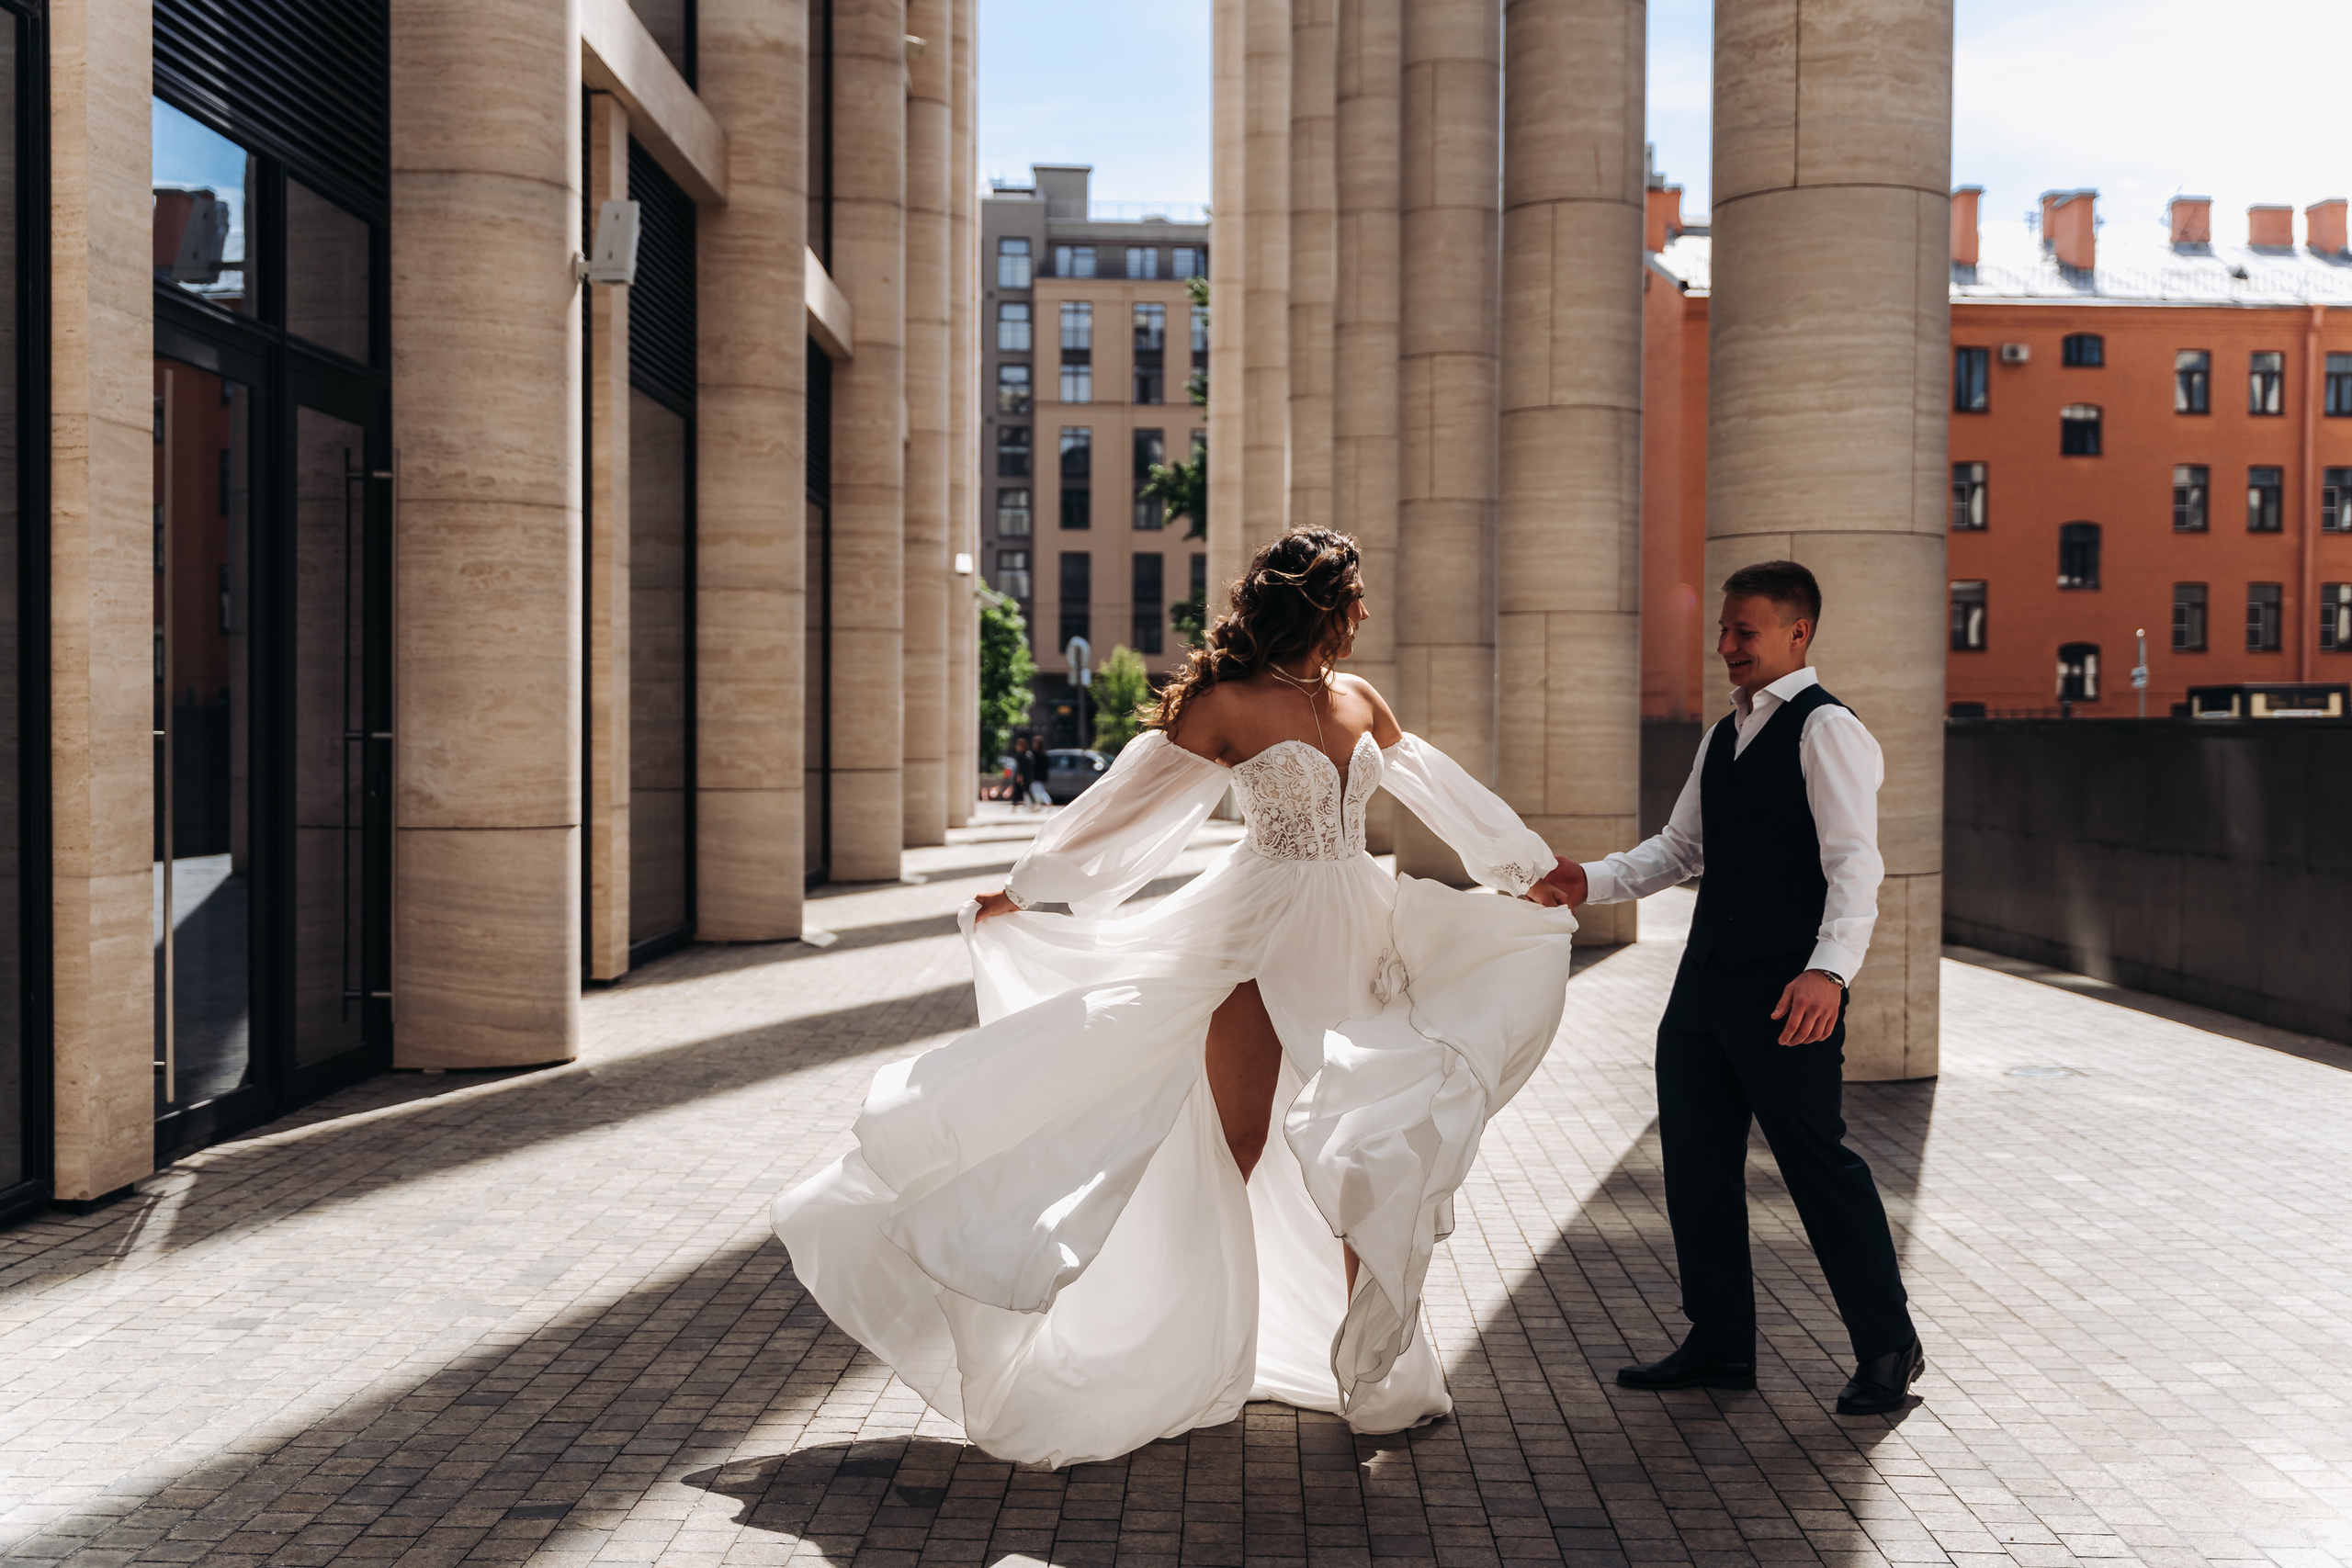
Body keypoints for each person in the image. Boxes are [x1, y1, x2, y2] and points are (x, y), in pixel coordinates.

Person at [774, 530, 1579, 1467]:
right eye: (1355, 598)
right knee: (1234, 1141)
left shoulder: (1362, 700)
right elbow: (1131, 801)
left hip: (1359, 933)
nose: (1364, 615)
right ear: (1323, 604)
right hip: (1253, 930)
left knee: (1373, 1150)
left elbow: (1438, 788)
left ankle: (1378, 1374)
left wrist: (1523, 867)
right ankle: (1167, 1340)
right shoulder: (1224, 702)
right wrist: (1029, 885)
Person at [1540, 559, 1923, 1416]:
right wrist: (1586, 880)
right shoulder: (1725, 734)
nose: (1725, 647)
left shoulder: (1828, 731)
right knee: (1696, 1169)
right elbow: (1680, 849)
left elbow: (1856, 865)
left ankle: (1888, 1343)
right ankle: (1720, 1341)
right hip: (1705, 989)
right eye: (1722, 630)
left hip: (1790, 994)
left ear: (1799, 633)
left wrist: (1829, 971)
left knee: (1817, 1165)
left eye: (1743, 631)